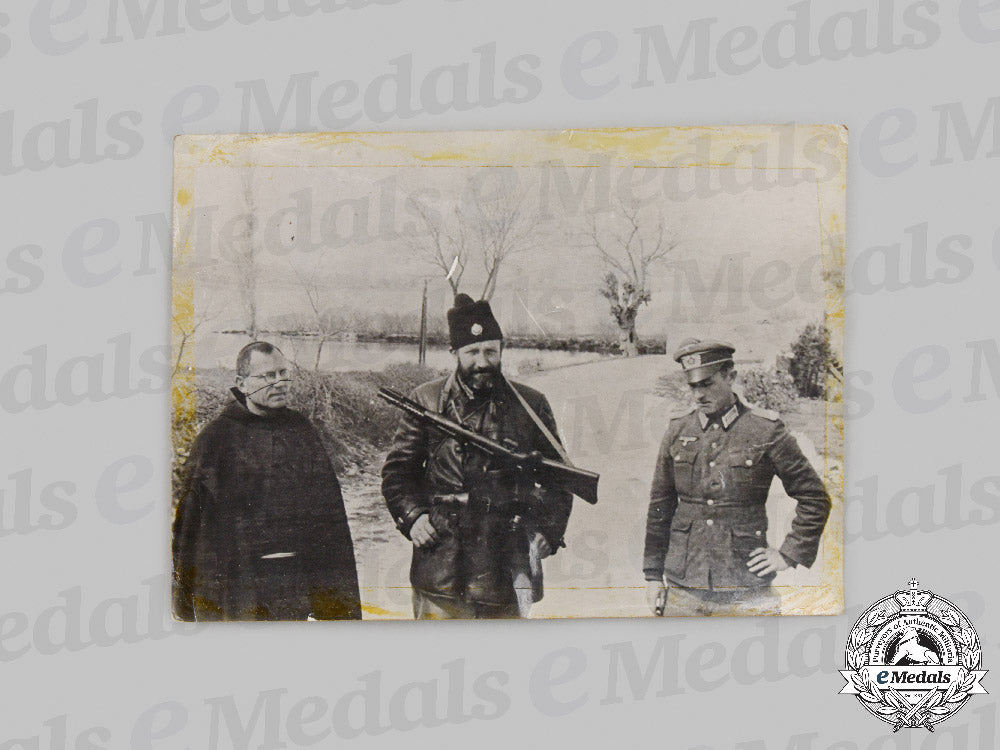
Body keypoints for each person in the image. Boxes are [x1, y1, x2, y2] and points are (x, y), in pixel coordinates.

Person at [381, 294, 573, 619]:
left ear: (501, 350)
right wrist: (413, 518)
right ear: (454, 352)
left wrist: (548, 531)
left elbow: (562, 478)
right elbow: (398, 473)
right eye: (472, 352)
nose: (482, 362)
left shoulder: (531, 405)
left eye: (490, 351)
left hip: (508, 562)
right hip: (440, 561)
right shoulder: (425, 400)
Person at [172, 341, 361, 621]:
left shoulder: (301, 431)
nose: (280, 382)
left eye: (283, 373)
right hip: (236, 588)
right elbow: (191, 525)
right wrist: (185, 599)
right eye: (268, 376)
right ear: (242, 383)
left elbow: (329, 516)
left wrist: (335, 603)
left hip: (291, 586)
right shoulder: (216, 439)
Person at [643, 338, 831, 616]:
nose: (698, 395)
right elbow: (661, 506)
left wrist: (788, 554)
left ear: (731, 377)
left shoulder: (764, 431)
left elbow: (814, 497)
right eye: (692, 385)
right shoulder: (678, 430)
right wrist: (652, 577)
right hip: (685, 585)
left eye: (707, 384)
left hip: (745, 585)